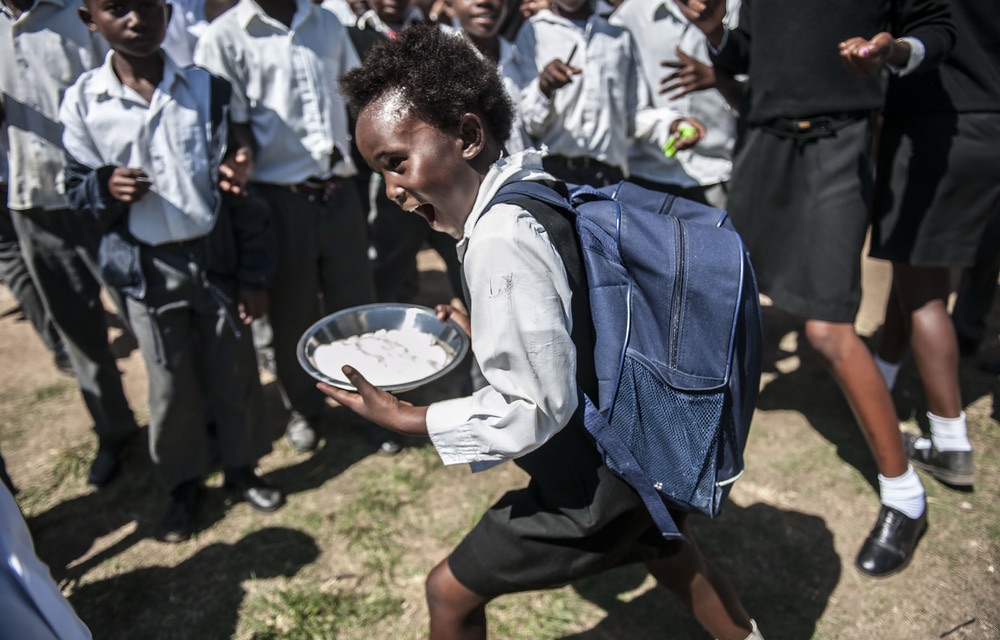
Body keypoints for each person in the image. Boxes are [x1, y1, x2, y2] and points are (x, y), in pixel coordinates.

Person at [325, 25, 763, 640]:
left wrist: (409, 418)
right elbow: (568, 319)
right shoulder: (532, 189)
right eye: (380, 173)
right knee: (671, 552)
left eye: (396, 163)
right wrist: (486, 329)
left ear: (468, 136)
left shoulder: (498, 239)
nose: (392, 189)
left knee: (447, 592)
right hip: (636, 451)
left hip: (592, 486)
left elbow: (535, 407)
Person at [676, 0, 955, 577]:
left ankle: (905, 494)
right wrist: (715, 30)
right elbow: (750, 53)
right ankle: (688, 470)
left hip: (838, 141)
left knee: (827, 329)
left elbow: (937, 27)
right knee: (726, 296)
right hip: (762, 143)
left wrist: (893, 51)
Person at [61, 0, 285, 542]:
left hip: (214, 259)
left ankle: (242, 467)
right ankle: (183, 483)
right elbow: (74, 192)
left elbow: (235, 171)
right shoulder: (84, 101)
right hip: (147, 269)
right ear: (90, 20)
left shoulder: (207, 89)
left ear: (167, 12)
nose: (136, 20)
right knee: (169, 382)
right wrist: (104, 186)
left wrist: (252, 276)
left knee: (233, 368)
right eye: (117, 9)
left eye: (147, 7)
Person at [195, 0, 377, 453]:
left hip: (338, 191)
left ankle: (369, 405)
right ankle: (305, 407)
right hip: (278, 199)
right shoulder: (225, 37)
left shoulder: (326, 22)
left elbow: (356, 97)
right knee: (293, 312)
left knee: (355, 304)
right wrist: (237, 155)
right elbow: (227, 120)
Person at [0, 0, 139, 489]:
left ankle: (192, 423)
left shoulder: (79, 16)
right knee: (78, 333)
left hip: (100, 202)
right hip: (30, 204)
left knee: (143, 316)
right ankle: (115, 430)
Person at [869, 0, 1000, 489]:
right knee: (914, 266)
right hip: (988, 122)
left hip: (935, 126)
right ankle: (883, 379)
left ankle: (950, 444)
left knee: (924, 292)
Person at [512, 0, 703, 187]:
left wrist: (671, 124)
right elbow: (529, 124)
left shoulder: (618, 35)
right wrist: (544, 87)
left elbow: (633, 114)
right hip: (554, 173)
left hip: (607, 177)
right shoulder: (533, 32)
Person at [609, 0, 741, 207]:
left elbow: (761, 98)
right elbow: (624, 106)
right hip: (648, 175)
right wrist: (670, 124)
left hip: (719, 173)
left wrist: (719, 80)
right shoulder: (633, 13)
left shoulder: (738, 8)